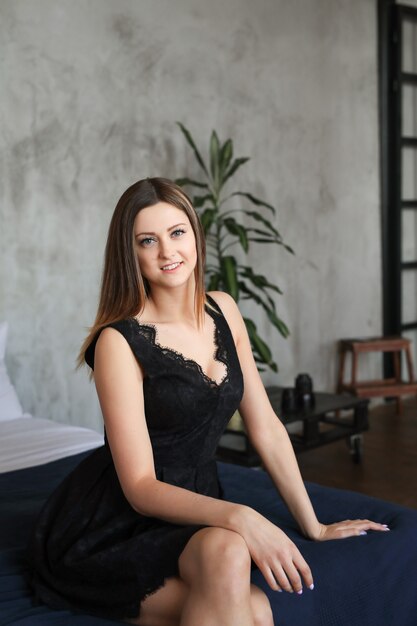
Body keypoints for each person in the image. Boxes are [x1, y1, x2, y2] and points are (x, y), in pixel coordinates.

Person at [29, 177, 389, 626]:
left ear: (195, 236)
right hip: (117, 522)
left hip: (198, 502)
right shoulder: (118, 342)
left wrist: (313, 525)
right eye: (148, 240)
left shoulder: (223, 309)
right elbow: (139, 487)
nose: (167, 252)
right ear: (131, 253)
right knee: (249, 602)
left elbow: (266, 428)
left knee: (230, 557)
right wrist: (242, 515)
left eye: (177, 232)